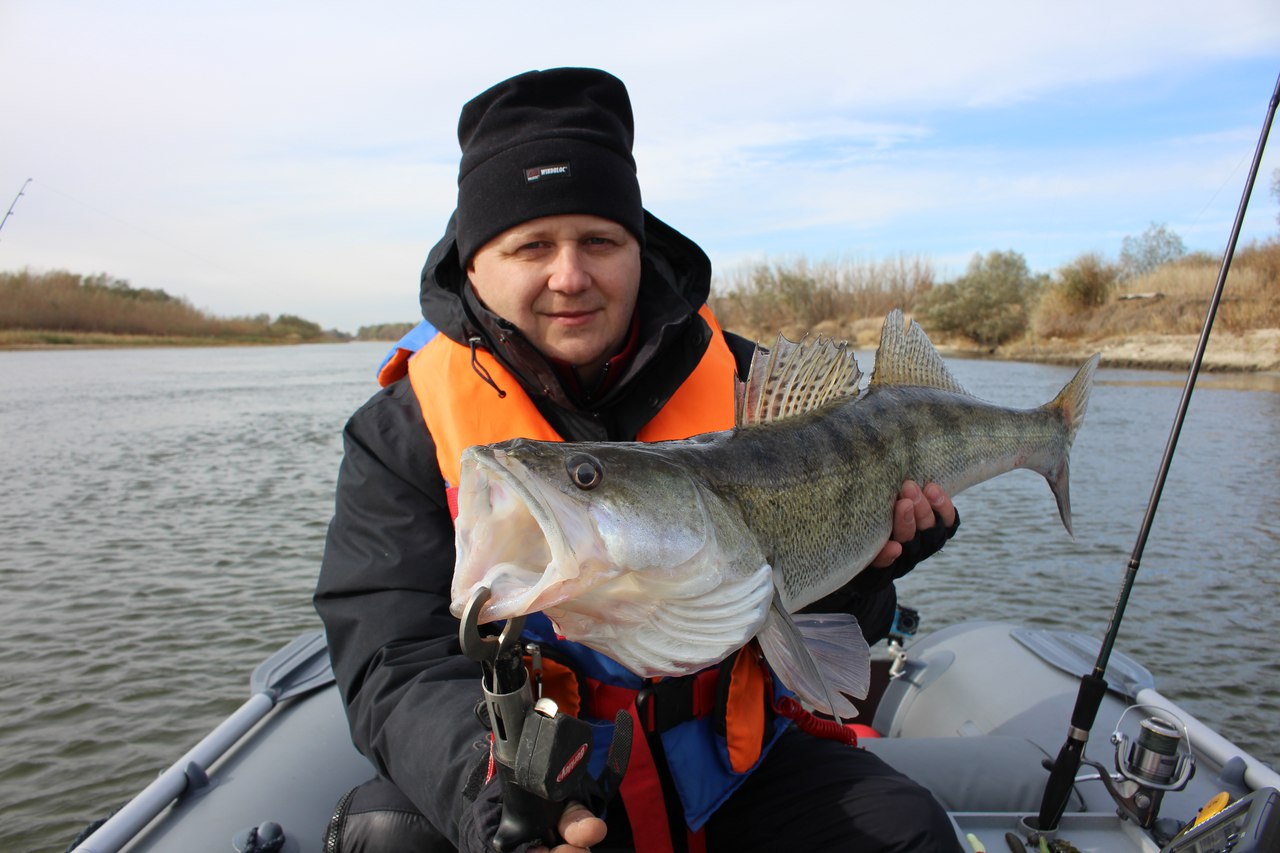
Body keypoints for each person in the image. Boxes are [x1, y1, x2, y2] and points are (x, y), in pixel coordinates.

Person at [315, 67, 963, 853]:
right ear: (473, 263)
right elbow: (394, 658)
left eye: (599, 241)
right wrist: (499, 794)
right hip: (538, 773)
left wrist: (868, 568)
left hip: (734, 767)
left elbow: (831, 630)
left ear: (638, 247)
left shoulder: (753, 388)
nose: (569, 276)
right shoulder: (401, 433)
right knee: (385, 834)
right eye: (531, 246)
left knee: (908, 831)